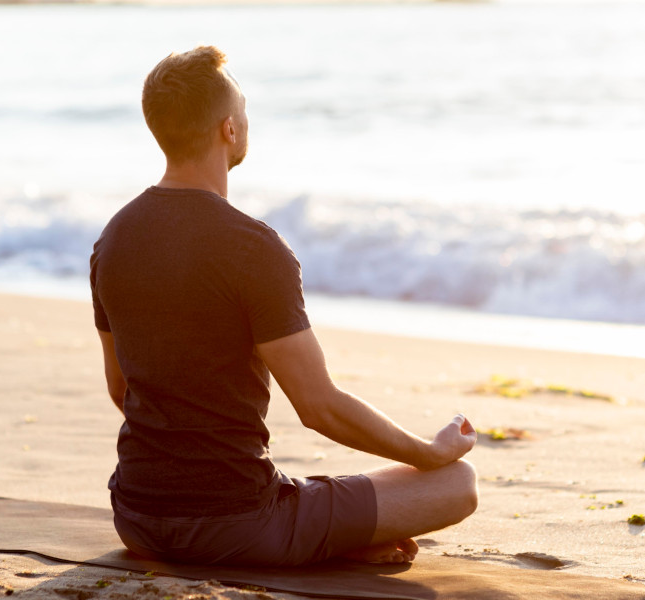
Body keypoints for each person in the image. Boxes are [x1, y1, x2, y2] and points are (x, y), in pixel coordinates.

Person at [90, 45, 478, 568]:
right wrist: (427, 453)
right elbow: (318, 407)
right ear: (229, 129)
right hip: (238, 522)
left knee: (306, 492)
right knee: (457, 483)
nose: (246, 120)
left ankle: (332, 533)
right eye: (243, 108)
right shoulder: (252, 248)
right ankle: (331, 538)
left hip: (136, 518)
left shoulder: (112, 241)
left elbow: (122, 389)